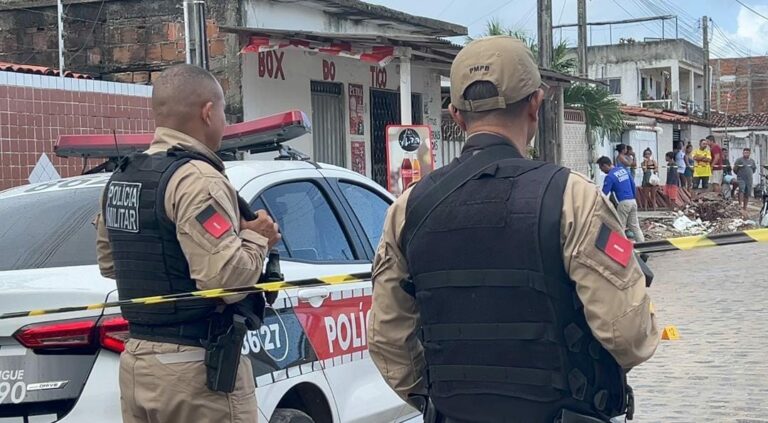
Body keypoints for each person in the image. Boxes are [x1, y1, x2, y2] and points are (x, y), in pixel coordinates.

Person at [368, 36, 659, 423]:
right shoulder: (572, 198)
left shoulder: (408, 208)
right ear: (536, 105)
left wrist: (441, 399)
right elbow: (628, 335)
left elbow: (388, 340)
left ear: (456, 115)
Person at [95, 65, 281, 423]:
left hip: (137, 363)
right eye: (224, 111)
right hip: (195, 370)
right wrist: (259, 237)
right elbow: (226, 282)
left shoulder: (123, 177)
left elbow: (110, 264)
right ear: (208, 112)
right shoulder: (197, 179)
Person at [598, 156, 646, 242]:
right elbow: (632, 184)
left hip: (623, 203)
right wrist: (633, 197)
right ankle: (643, 245)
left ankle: (621, 249)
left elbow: (604, 193)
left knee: (620, 227)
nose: (602, 171)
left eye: (601, 168)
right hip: (632, 201)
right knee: (634, 226)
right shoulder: (623, 170)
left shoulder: (610, 176)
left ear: (605, 165)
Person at [733, 147, 757, 212]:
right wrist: (739, 174)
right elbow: (735, 169)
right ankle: (740, 205)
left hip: (749, 179)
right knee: (741, 190)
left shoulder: (752, 161)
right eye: (745, 152)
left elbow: (754, 169)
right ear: (743, 153)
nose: (746, 154)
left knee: (747, 193)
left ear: (749, 153)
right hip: (741, 178)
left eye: (747, 152)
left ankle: (745, 207)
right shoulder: (739, 160)